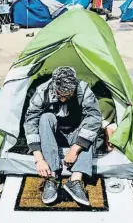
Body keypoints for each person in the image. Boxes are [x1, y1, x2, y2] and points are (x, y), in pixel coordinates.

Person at [24, 66, 102, 206]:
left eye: (68, 96)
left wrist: (75, 149)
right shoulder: (42, 91)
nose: (64, 100)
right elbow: (30, 122)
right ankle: (52, 177)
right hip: (53, 135)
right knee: (45, 118)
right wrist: (39, 159)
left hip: (74, 133)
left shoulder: (83, 89)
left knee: (90, 129)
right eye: (60, 95)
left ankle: (75, 180)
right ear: (54, 86)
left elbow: (94, 117)